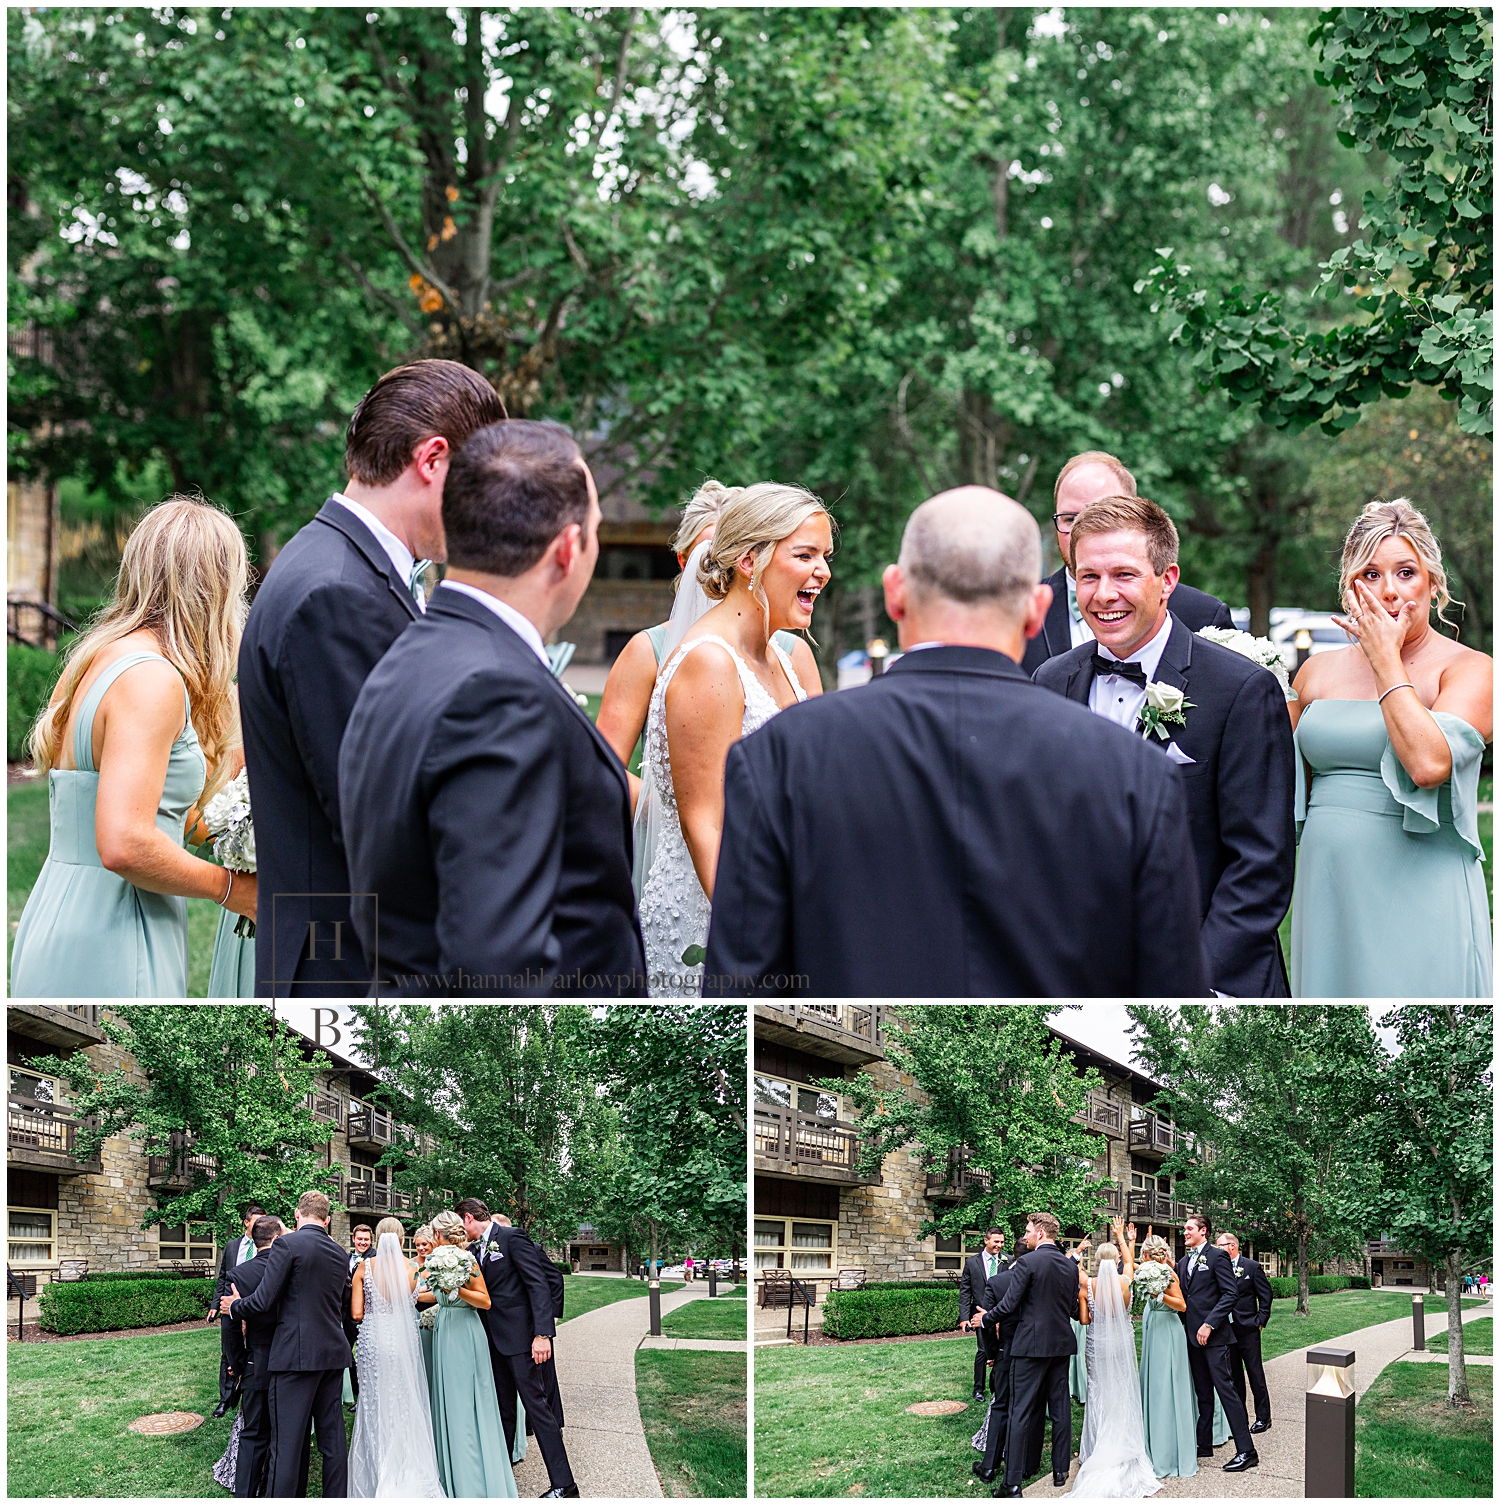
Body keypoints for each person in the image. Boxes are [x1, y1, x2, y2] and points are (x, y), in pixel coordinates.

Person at [704, 487, 1209, 996]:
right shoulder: (1134, 773)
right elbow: (1170, 991)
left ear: (895, 592)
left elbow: (742, 982)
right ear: (1037, 610)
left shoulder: (783, 754)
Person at [339, 420, 645, 997]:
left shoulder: (412, 653)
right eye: (597, 530)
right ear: (568, 548)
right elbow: (497, 964)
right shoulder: (499, 695)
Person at [238, 360, 505, 996]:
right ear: (434, 461)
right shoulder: (336, 593)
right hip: (352, 965)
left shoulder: (336, 565)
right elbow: (380, 820)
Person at [1034, 495, 1295, 997]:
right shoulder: (1051, 681)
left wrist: (1189, 984)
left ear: (1167, 579)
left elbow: (1260, 864)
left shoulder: (1240, 690)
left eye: (1124, 575)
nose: (1103, 594)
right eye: (1088, 577)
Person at [11, 497, 256, 996]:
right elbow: (124, 842)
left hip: (61, 909)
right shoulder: (151, 681)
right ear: (214, 587)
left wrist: (247, 833)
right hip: (116, 923)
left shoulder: (96, 658)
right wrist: (232, 890)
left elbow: (162, 813)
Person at [1289, 500, 1492, 996]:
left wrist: (1385, 661)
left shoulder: (1471, 670)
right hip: (1329, 886)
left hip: (1422, 885)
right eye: (1371, 574)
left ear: (1434, 583)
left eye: (1406, 572)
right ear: (1350, 587)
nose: (1389, 591)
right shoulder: (1316, 672)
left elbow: (1427, 764)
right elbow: (1273, 784)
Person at [636, 481, 831, 995]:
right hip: (714, 927)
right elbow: (707, 825)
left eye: (826, 556)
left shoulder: (783, 661)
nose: (823, 571)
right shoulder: (710, 662)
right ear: (750, 559)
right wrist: (756, 940)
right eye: (805, 554)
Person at [595, 481, 823, 790]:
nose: (723, 566)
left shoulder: (793, 654)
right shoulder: (648, 650)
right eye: (712, 554)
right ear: (685, 561)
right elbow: (602, 771)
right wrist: (667, 812)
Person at [1021, 451, 1233, 675]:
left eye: (1104, 514)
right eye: (1070, 519)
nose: (1082, 531)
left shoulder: (1204, 615)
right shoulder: (1017, 611)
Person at [223, 1190, 352, 1499]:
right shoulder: (339, 1252)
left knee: (287, 1443)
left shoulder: (286, 1244)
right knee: (332, 1441)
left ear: (297, 1214)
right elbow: (344, 1305)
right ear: (327, 1219)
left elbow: (265, 1299)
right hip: (333, 1354)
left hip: (295, 1356)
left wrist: (234, 1306)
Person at [457, 1197, 578, 1498]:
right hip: (494, 1343)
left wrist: (542, 1335)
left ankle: (565, 1485)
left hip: (522, 1342)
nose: (461, 1231)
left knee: (538, 1409)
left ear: (469, 1218)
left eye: (461, 1225)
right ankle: (502, 1476)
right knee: (503, 1410)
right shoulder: (473, 1251)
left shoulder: (511, 1238)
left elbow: (538, 1285)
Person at [416, 1211, 519, 1497]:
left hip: (466, 1331)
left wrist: (457, 1289)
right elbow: (435, 1296)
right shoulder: (436, 1262)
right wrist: (408, 1294)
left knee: (467, 1401)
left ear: (438, 1235)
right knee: (449, 1398)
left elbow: (484, 1301)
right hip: (445, 1328)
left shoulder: (466, 1259)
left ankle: (473, 1478)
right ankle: (450, 1472)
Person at [348, 1217, 444, 1497]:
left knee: (374, 1399)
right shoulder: (416, 1268)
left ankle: (377, 1468)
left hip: (374, 1338)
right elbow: (419, 1300)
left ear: (377, 1238)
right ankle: (407, 1466)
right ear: (402, 1240)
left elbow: (356, 1314)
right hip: (404, 1340)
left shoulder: (364, 1268)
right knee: (403, 1397)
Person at [1068, 1222, 1161, 1498]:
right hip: (1121, 1344)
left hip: (1097, 1345)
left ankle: (1097, 1447)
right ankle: (1124, 1442)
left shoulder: (1088, 1285)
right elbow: (1130, 1261)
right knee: (1122, 1388)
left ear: (1097, 1261)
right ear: (1117, 1260)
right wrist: (1122, 1237)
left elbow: (1084, 1320)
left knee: (1098, 1391)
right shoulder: (1126, 1281)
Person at [992, 1212, 1082, 1497]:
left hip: (1030, 1347)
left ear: (1041, 1233)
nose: (1026, 1236)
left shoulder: (1028, 1262)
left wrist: (983, 1319)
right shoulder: (1070, 1267)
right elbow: (1070, 1310)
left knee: (1020, 1411)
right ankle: (1060, 1471)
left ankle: (1013, 1483)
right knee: (1060, 1410)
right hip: (1060, 1346)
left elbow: (1008, 1305)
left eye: (1029, 1231)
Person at [1134, 1231, 1225, 1479]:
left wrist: (1159, 1295)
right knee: (1155, 1383)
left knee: (1167, 1384)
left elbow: (1182, 1305)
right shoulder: (1144, 1272)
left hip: (1169, 1328)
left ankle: (1172, 1447)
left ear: (1145, 1253)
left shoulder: (1168, 1273)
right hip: (1153, 1327)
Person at [1176, 1215, 1256, 1472]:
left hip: (1215, 1337)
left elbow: (1230, 1293)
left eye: (1189, 1229)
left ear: (1203, 1231)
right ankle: (1204, 1443)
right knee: (1203, 1393)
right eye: (1184, 1229)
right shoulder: (1183, 1261)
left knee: (1226, 1392)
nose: (1184, 1232)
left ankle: (1247, 1451)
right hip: (1192, 1338)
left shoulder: (1217, 1256)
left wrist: (1209, 1324)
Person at [215, 1214, 287, 1498]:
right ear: (278, 1238)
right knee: (284, 1434)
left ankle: (244, 1493)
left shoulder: (239, 1275)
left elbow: (230, 1330)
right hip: (290, 1362)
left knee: (253, 1432)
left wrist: (237, 1364)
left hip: (255, 1363)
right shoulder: (290, 1270)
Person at [972, 1230, 1024, 1485]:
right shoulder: (1041, 1280)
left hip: (1006, 1351)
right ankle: (1023, 1463)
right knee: (1025, 1408)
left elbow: (987, 1322)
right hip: (1032, 1356)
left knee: (1001, 1405)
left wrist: (992, 1354)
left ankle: (990, 1465)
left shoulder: (999, 1281)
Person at [210, 1204, 265, 1419]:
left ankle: (248, 1393)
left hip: (254, 1307)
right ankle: (225, 1399)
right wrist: (216, 1304)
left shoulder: (268, 1247)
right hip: (230, 1308)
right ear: (246, 1222)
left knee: (252, 1350)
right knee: (229, 1352)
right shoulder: (233, 1246)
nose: (261, 1225)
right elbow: (223, 1276)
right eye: (257, 1222)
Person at [1216, 1232, 1273, 1434]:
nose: (1217, 1249)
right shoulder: (1218, 1268)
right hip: (1226, 1330)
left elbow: (1266, 1295)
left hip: (1248, 1329)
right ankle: (1240, 1419)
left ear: (1232, 1246)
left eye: (1219, 1245)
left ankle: (1264, 1417)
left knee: (1255, 1373)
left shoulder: (1251, 1267)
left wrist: (1260, 1321)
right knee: (1234, 1376)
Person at [961, 1231, 1009, 1401]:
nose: (1000, 1245)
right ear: (986, 1240)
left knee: (1001, 1350)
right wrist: (964, 1317)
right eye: (996, 1241)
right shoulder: (972, 1262)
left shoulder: (1008, 1260)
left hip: (1003, 1313)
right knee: (983, 1349)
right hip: (981, 1314)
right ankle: (978, 1388)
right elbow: (965, 1291)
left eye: (1002, 1242)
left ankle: (996, 1385)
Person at [412, 1225, 436, 1392]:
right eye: (417, 1245)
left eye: (424, 1244)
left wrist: (412, 1296)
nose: (421, 1248)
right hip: (413, 1318)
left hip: (434, 1319)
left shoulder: (438, 1263)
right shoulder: (410, 1264)